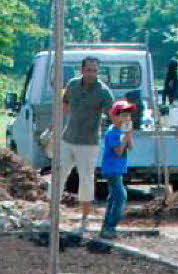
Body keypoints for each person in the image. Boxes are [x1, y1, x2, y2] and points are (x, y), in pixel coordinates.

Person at [57, 57, 114, 233]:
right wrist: (56, 124)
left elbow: (112, 113)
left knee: (86, 180)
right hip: (68, 138)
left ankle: (84, 218)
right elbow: (64, 103)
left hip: (88, 143)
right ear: (82, 70)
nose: (92, 74)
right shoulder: (73, 85)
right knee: (59, 175)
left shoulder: (103, 92)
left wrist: (121, 131)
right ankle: (52, 214)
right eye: (89, 70)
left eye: (95, 71)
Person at [99, 100, 135, 239]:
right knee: (120, 197)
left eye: (128, 115)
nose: (127, 118)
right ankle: (110, 227)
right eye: (123, 115)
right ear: (114, 116)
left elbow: (130, 147)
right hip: (111, 169)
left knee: (113, 198)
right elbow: (119, 152)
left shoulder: (121, 131)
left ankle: (107, 227)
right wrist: (125, 136)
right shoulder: (112, 133)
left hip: (117, 169)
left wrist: (129, 134)